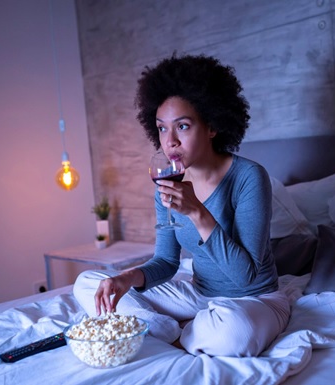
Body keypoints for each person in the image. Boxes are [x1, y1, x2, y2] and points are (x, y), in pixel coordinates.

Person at [73, 54, 290, 357]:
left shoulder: (249, 177)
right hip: (199, 294)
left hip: (253, 300)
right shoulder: (167, 181)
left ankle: (161, 330)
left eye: (183, 126)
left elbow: (246, 277)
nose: (169, 141)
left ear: (212, 126)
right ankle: (168, 329)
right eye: (162, 128)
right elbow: (166, 262)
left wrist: (197, 212)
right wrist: (127, 278)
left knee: (234, 333)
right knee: (89, 283)